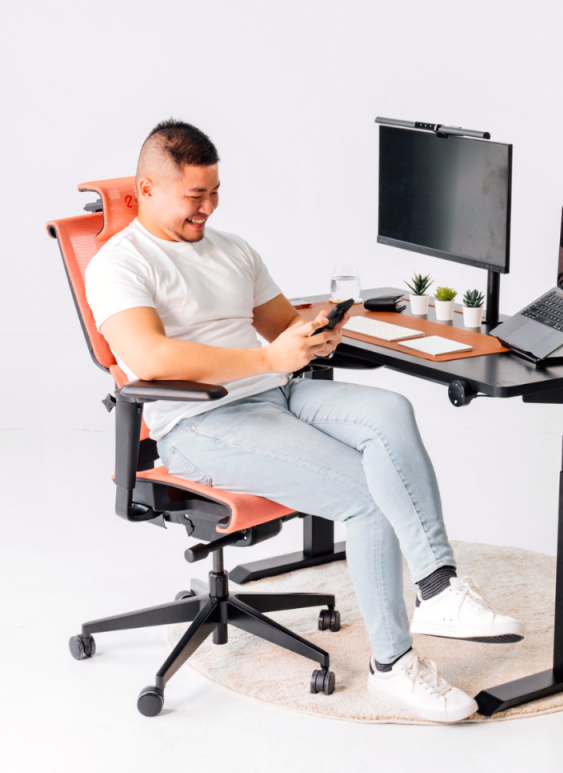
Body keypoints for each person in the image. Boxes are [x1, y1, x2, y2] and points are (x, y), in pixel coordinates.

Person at [85, 118, 524, 723]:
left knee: (389, 411)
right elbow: (151, 357)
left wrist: (316, 330)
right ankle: (393, 667)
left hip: (274, 394)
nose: (208, 207)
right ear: (147, 189)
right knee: (370, 498)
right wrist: (268, 358)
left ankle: (439, 587)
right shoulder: (119, 263)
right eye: (195, 196)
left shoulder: (233, 249)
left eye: (214, 191)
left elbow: (278, 327)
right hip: (202, 422)